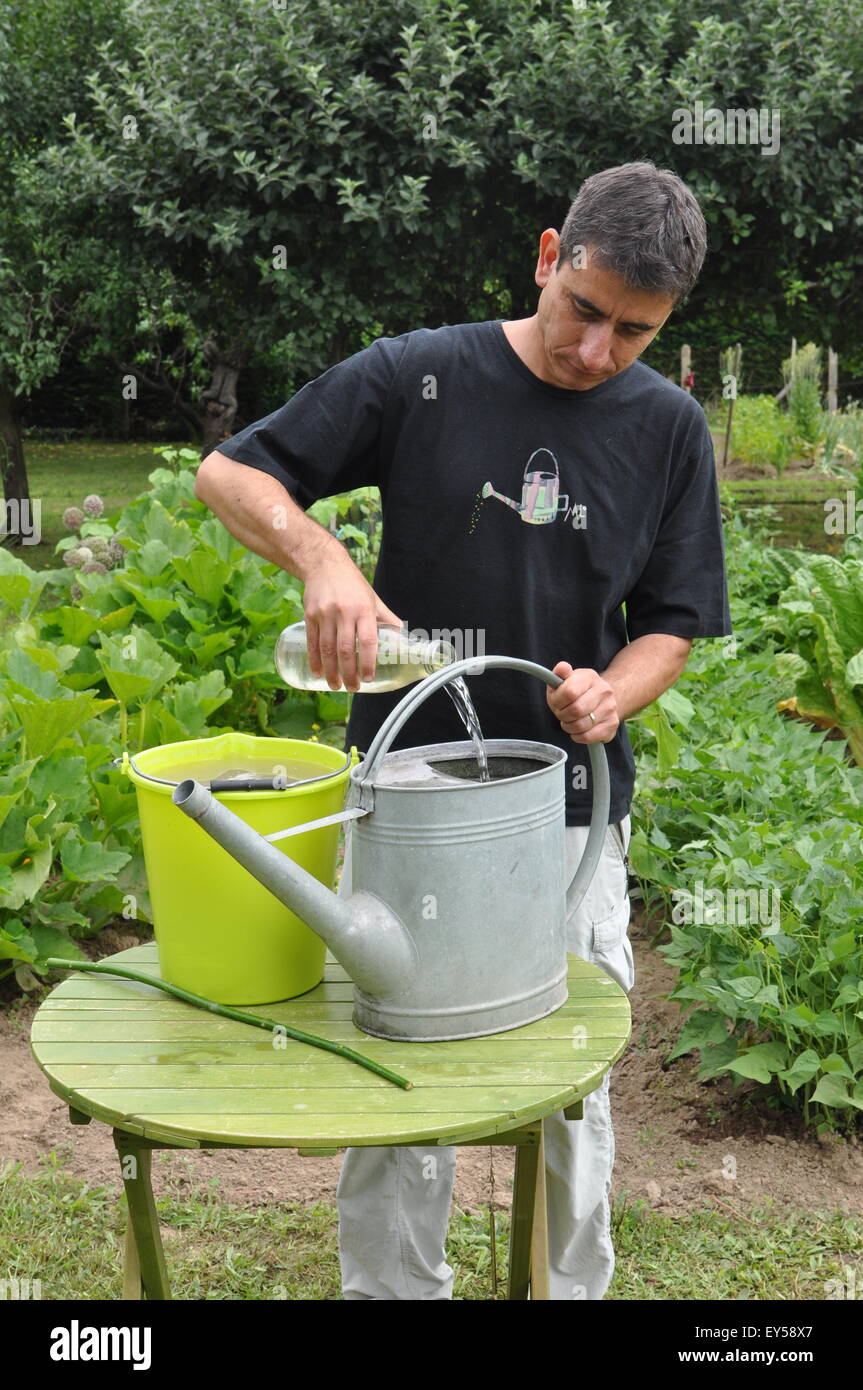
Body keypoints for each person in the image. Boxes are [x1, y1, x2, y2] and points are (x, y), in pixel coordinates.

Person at [195, 159, 733, 1300]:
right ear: (548, 256)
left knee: (570, 1087)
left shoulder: (669, 428)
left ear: (667, 322)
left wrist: (614, 695)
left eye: (632, 334)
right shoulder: (417, 373)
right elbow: (230, 472)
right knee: (400, 1073)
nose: (595, 353)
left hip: (572, 817)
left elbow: (673, 625)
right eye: (582, 309)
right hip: (406, 805)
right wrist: (322, 559)